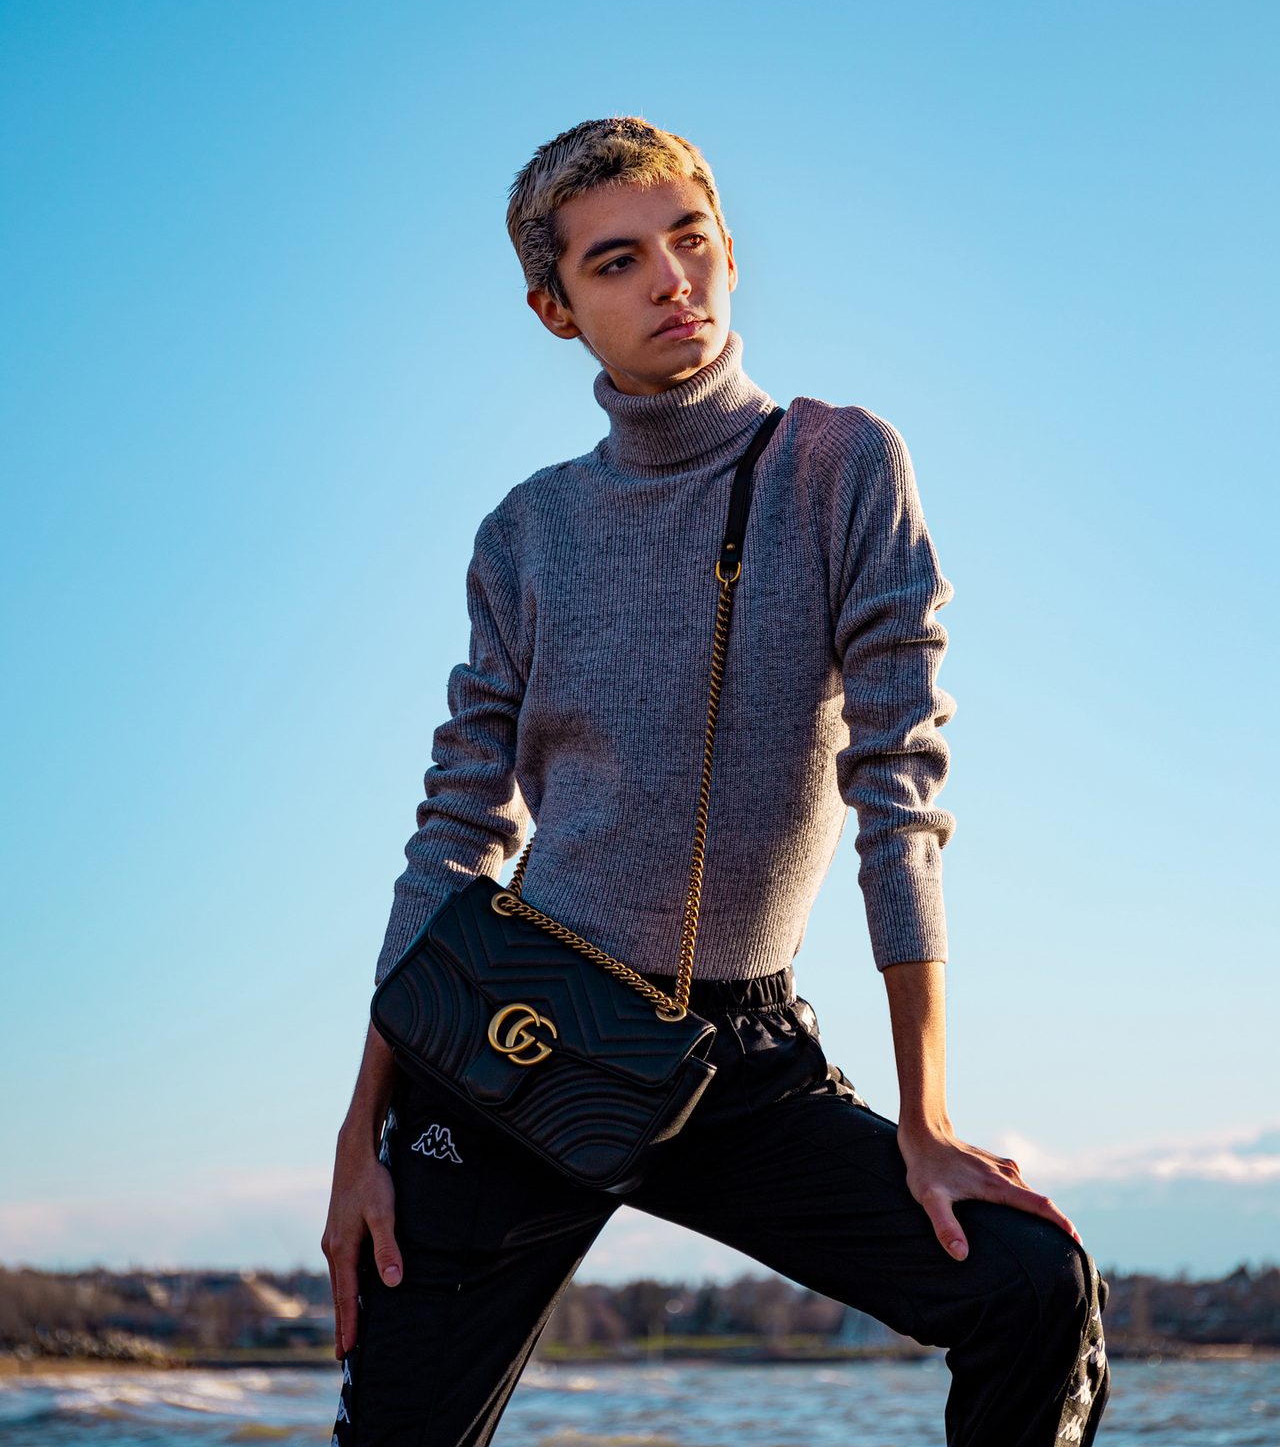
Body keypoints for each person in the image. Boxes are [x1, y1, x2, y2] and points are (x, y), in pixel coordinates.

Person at [322, 116, 1110, 1446]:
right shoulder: (525, 535)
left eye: (689, 241)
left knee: (1032, 1287)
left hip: (740, 1056)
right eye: (617, 261)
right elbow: (456, 833)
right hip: (517, 1040)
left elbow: (898, 789)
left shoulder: (840, 466)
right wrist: (363, 1133)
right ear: (556, 309)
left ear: (731, 250)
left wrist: (926, 1118)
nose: (670, 281)